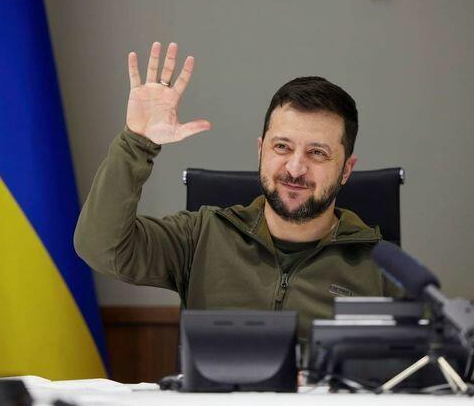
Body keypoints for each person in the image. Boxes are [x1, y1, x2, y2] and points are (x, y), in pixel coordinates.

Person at [74, 41, 401, 347]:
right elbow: (100, 249)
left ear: (346, 169)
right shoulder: (202, 237)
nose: (295, 168)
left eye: (317, 153)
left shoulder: (383, 271)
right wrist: (137, 142)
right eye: (282, 147)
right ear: (261, 151)